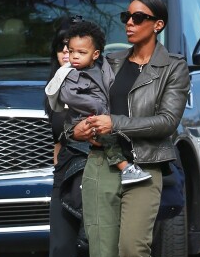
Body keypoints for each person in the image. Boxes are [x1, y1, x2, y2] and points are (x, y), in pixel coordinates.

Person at [73, 0, 191, 257]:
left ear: (158, 25)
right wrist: (74, 130)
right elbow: (80, 103)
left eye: (139, 18)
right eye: (126, 17)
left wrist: (115, 123)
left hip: (145, 168)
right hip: (101, 165)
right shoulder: (110, 62)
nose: (129, 23)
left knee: (133, 250)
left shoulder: (173, 68)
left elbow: (167, 122)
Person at [45, 20, 151, 185]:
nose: (74, 56)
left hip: (101, 123)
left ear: (95, 54)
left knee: (113, 137)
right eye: (71, 51)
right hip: (85, 123)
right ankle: (125, 168)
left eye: (81, 52)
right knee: (108, 141)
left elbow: (109, 86)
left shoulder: (102, 67)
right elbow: (71, 97)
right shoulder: (69, 74)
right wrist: (98, 108)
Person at [45, 15, 90, 257]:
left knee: (104, 249)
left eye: (73, 48)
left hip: (97, 170)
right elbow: (58, 134)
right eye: (62, 47)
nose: (66, 53)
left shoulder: (99, 80)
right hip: (65, 173)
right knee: (60, 247)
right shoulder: (54, 84)